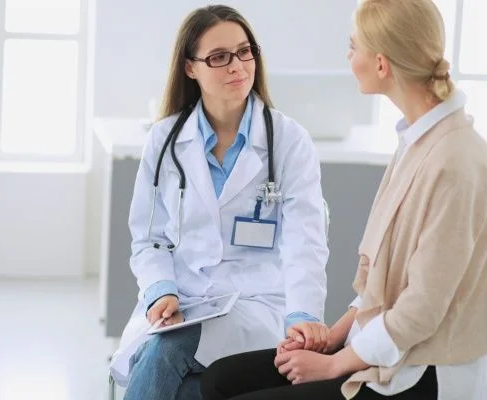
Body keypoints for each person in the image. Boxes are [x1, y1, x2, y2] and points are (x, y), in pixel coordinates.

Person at [199, 0, 487, 399]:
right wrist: (329, 338)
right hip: (377, 346)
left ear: (382, 64)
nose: (348, 56)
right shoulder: (415, 141)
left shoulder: (455, 161)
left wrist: (335, 362)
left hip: (420, 368)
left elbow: (420, 312)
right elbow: (380, 286)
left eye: (354, 46)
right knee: (219, 380)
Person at [115, 4, 329, 400]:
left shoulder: (289, 141)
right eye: (219, 57)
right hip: (184, 298)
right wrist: (161, 290)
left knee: (168, 350)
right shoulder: (164, 142)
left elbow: (306, 242)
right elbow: (150, 239)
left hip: (256, 303)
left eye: (245, 51)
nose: (237, 66)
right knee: (188, 388)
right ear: (190, 68)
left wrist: (302, 315)